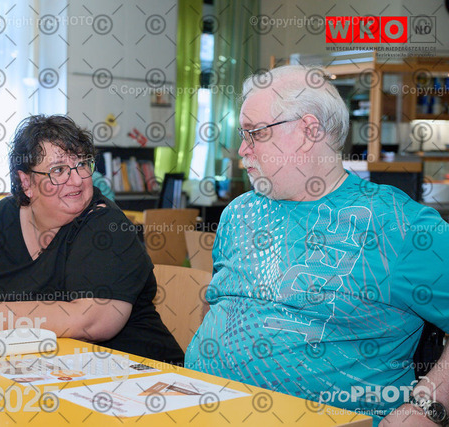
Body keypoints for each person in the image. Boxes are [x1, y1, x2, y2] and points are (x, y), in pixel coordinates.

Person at [184, 65, 449, 426]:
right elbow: (218, 303)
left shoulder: (398, 225)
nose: (242, 149)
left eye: (255, 133)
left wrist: (428, 408)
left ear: (309, 131)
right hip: (198, 407)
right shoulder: (239, 211)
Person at [0, 115, 184, 365]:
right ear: (26, 182)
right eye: (59, 170)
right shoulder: (0, 218)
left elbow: (92, 320)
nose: (77, 180)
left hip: (141, 376)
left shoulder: (106, 226)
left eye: (82, 164)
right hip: (44, 374)